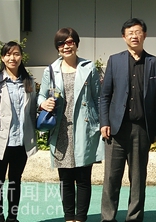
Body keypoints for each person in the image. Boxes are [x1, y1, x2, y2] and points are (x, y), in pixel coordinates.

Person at [99, 18, 156, 222]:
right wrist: (104, 122)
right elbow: (105, 95)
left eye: (138, 32)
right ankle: (108, 218)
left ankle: (134, 218)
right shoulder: (115, 61)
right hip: (116, 129)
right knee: (111, 178)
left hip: (141, 129)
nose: (134, 36)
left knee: (137, 179)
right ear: (124, 37)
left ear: (144, 35)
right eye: (130, 33)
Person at [38, 27, 104, 222]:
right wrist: (43, 103)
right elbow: (41, 95)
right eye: (61, 43)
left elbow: (98, 98)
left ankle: (81, 218)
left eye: (70, 42)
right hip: (61, 129)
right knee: (65, 179)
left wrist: (102, 124)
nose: (66, 46)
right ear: (57, 48)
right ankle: (69, 217)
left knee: (83, 178)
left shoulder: (89, 68)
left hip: (85, 127)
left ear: (76, 44)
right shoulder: (51, 70)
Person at [0, 41, 38, 222]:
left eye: (16, 54)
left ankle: (12, 217)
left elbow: (32, 111)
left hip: (22, 141)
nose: (12, 58)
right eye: (8, 54)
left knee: (16, 180)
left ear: (21, 57)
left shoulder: (29, 82)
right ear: (2, 58)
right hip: (1, 139)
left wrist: (34, 137)